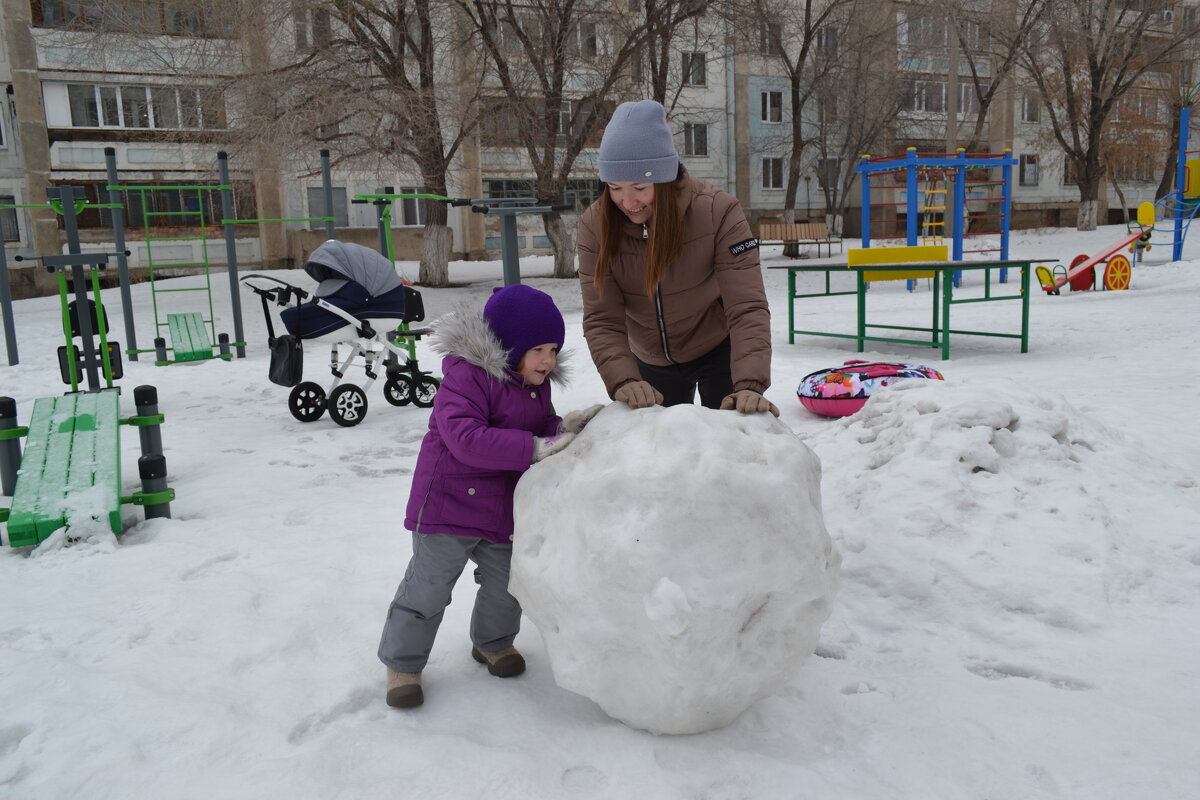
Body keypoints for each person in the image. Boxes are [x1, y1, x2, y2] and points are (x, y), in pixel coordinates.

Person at [377, 285, 603, 709]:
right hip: (447, 506)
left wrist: (562, 429)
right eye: (538, 349)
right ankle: (403, 664)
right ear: (509, 344)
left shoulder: (536, 386)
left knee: (506, 587)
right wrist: (534, 448)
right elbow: (465, 439)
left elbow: (538, 428)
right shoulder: (464, 377)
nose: (548, 360)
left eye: (554, 349)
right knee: (428, 590)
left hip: (500, 509)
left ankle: (493, 643)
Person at [576, 99, 778, 417]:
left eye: (639, 187)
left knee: (728, 448)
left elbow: (746, 306)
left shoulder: (718, 211)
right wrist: (624, 380)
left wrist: (749, 384)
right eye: (614, 187)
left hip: (717, 349)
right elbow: (603, 319)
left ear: (665, 179)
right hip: (648, 358)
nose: (627, 202)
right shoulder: (595, 225)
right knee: (664, 458)